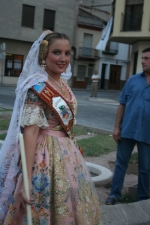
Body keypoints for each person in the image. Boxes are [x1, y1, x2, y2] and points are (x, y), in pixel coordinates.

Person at [0, 30, 101, 224]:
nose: (63, 58)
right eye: (57, 52)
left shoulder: (63, 84)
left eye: (67, 53)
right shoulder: (37, 87)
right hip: (44, 156)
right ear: (44, 54)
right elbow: (30, 132)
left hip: (68, 155)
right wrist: (26, 180)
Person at [105, 47, 150, 205]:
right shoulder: (132, 81)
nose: (142, 61)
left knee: (145, 168)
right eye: (142, 58)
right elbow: (122, 104)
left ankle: (142, 198)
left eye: (146, 58)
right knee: (120, 163)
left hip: (147, 133)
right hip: (128, 130)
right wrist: (117, 127)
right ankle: (114, 194)